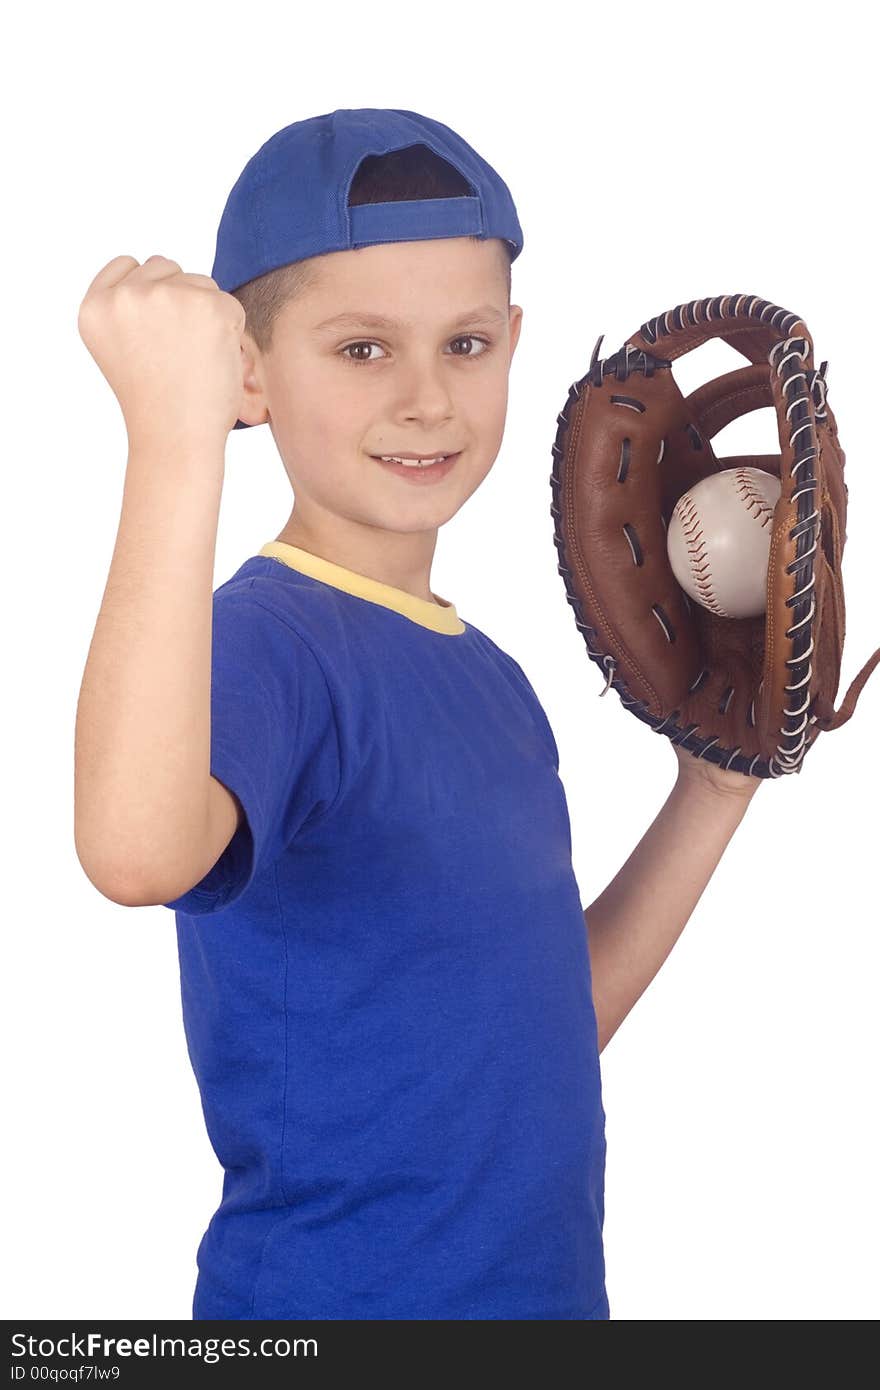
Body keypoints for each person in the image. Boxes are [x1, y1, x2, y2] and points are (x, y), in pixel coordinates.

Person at [74, 108, 760, 1321]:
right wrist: (173, 445)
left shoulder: (488, 676)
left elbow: (544, 1024)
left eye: (466, 341)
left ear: (514, 343)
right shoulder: (265, 643)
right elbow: (135, 852)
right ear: (247, 371)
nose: (429, 399)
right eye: (359, 350)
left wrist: (711, 790)